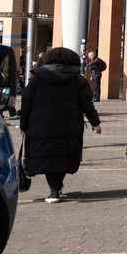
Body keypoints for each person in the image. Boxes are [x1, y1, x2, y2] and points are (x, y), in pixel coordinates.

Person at [19, 47, 101, 203]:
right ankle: (56, 186)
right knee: (63, 155)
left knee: (49, 156)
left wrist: (23, 125)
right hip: (69, 125)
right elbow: (86, 103)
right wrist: (95, 122)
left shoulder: (37, 79)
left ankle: (54, 191)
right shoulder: (77, 79)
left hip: (41, 125)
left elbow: (26, 104)